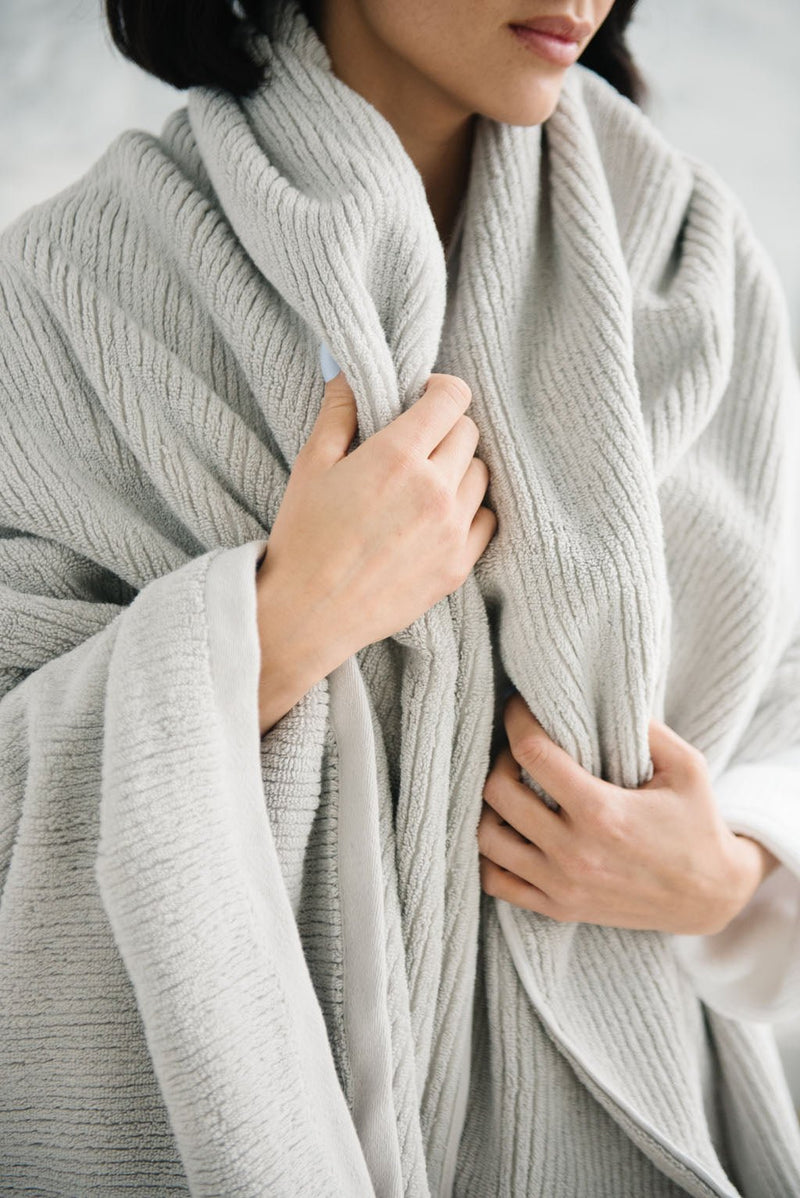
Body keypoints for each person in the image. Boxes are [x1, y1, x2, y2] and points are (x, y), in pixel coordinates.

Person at [0, 0, 799, 1194]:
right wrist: (272, 626)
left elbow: (774, 671)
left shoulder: (687, 259)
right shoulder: (65, 290)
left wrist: (733, 880)